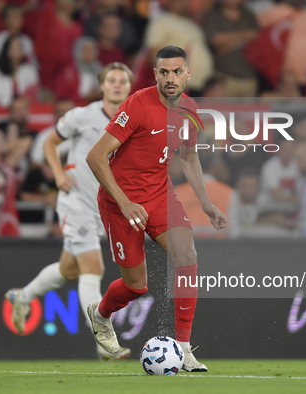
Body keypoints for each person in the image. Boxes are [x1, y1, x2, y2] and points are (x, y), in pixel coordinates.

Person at [85, 46, 229, 372]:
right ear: (155, 74)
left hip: (160, 195)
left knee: (187, 254)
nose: (170, 78)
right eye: (164, 72)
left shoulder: (190, 109)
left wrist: (206, 204)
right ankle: (101, 315)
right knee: (137, 286)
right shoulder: (137, 104)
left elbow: (189, 158)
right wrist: (124, 202)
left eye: (177, 71)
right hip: (120, 201)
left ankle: (183, 348)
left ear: (188, 74)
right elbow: (95, 156)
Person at [5, 63, 134, 360]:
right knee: (93, 269)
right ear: (102, 86)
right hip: (75, 201)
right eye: (111, 80)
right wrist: (58, 173)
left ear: (129, 87)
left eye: (122, 81)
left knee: (69, 269)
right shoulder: (82, 115)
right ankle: (103, 343)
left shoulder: (132, 120)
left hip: (102, 208)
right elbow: (50, 142)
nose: (116, 85)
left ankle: (22, 296)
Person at [204, 0, 259, 97]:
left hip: (249, 77)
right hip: (224, 77)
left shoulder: (249, 15)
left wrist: (228, 42)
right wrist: (244, 36)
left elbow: (256, 37)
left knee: (247, 112)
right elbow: (215, 40)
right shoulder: (214, 16)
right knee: (224, 111)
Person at [0, 36, 40, 107]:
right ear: (6, 51)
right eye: (14, 47)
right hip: (3, 111)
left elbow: (33, 95)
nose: (17, 49)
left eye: (19, 47)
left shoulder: (30, 71)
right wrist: (15, 103)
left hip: (26, 111)